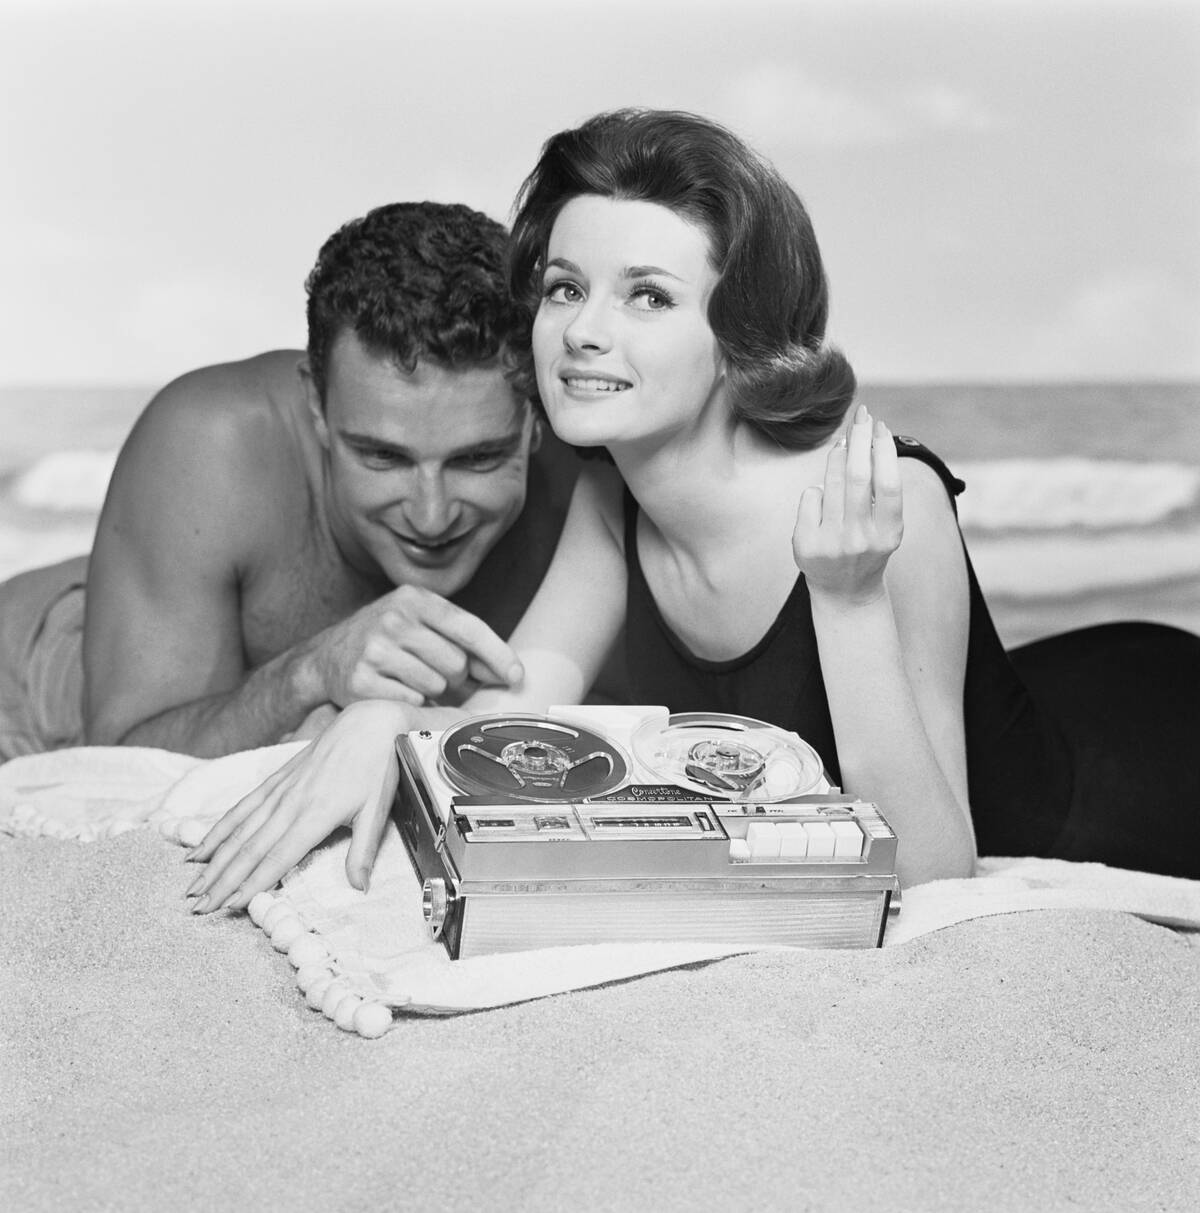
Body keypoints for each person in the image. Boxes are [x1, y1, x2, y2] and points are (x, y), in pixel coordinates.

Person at [188, 109, 1200, 908]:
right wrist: (387, 724)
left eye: (648, 297)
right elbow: (520, 707)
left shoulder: (890, 502)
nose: (582, 332)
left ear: (741, 335)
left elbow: (932, 868)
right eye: (564, 288)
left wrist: (844, 600)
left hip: (1139, 771)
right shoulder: (609, 496)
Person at [0, 201, 603, 762]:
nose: (431, 516)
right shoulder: (212, 441)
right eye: (382, 457)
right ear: (316, 402)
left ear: (537, 415)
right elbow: (125, 755)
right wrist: (312, 669)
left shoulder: (600, 474)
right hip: (38, 678)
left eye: (478, 460)